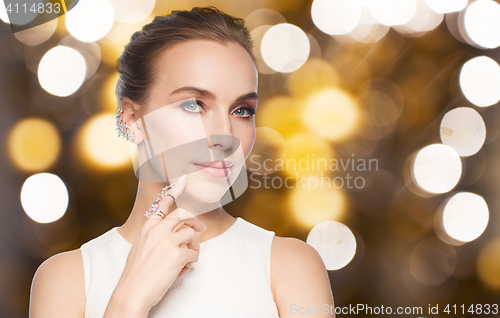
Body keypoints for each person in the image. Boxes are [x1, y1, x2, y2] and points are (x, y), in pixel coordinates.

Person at [29, 6, 335, 318]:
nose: (225, 135)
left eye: (241, 110)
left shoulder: (291, 267)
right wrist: (129, 300)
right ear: (133, 120)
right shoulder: (67, 280)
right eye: (194, 104)